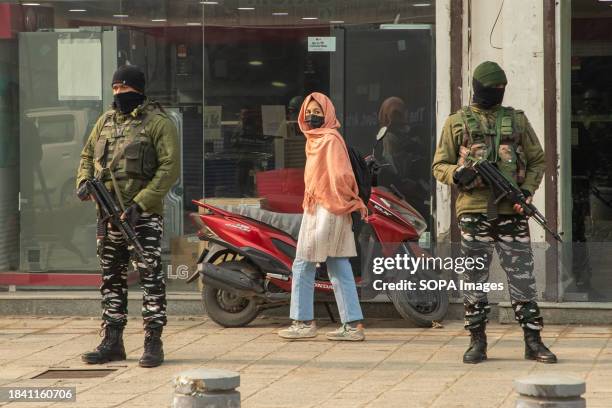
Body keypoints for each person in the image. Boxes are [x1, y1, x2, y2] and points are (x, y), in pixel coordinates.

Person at [432, 61, 557, 364]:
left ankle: (533, 340)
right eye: (491, 90)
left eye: (501, 90)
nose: (496, 94)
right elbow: (439, 165)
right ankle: (477, 341)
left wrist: (526, 192)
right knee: (475, 278)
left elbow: (538, 160)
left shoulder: (516, 120)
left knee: (523, 278)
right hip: (473, 211)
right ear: (478, 88)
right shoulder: (457, 122)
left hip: (512, 212)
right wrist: (457, 173)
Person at [75, 65, 179, 368]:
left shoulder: (159, 123)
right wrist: (83, 181)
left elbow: (170, 167)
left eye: (127, 89)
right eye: (117, 89)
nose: (121, 94)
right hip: (107, 215)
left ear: (140, 91)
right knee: (111, 278)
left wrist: (142, 203)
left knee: (150, 276)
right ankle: (112, 341)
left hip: (142, 216)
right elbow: (85, 157)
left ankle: (153, 341)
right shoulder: (104, 122)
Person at [278, 92, 368, 341]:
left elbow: (342, 176)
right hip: (325, 208)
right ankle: (353, 325)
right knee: (338, 265)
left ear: (327, 113)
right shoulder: (316, 140)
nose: (312, 116)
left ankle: (303, 321)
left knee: (303, 263)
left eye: (318, 111)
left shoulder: (329, 139)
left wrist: (347, 199)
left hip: (326, 210)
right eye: (309, 111)